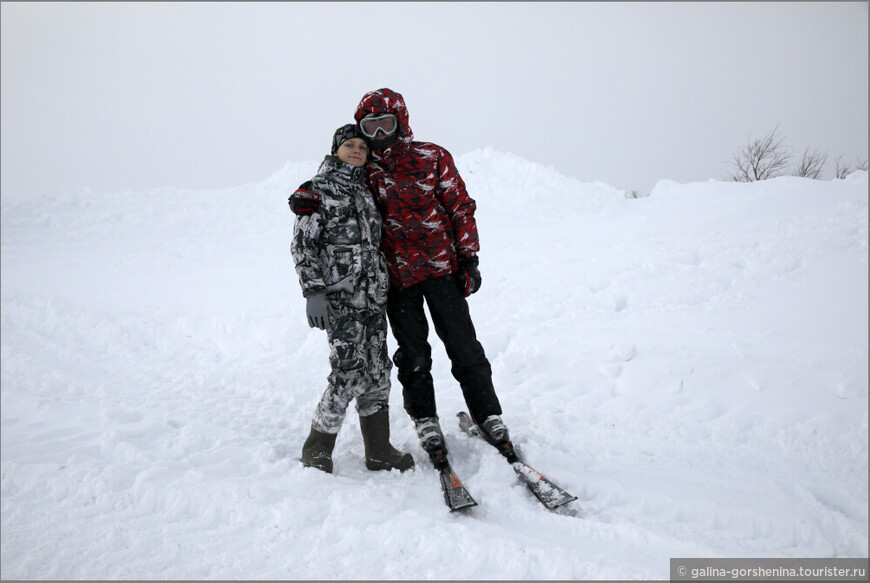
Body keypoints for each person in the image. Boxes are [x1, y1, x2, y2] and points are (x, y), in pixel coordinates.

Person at [352, 88, 512, 467]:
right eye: (369, 127)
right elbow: (334, 187)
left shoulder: (431, 156)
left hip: (442, 270)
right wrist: (310, 197)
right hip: (397, 280)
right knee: (414, 354)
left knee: (464, 346)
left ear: (401, 121)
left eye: (385, 124)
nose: (378, 135)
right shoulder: (363, 169)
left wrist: (468, 258)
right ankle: (424, 417)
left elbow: (460, 205)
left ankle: (487, 412)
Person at [288, 123, 414, 474]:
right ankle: (317, 446)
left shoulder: (367, 189)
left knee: (377, 372)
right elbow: (303, 245)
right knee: (347, 371)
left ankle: (378, 450)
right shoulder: (316, 189)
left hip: (373, 298)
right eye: (350, 145)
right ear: (336, 149)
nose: (357, 150)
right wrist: (313, 292)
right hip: (340, 299)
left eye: (362, 145)